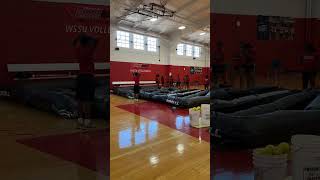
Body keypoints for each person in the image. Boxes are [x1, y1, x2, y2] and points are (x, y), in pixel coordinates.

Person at [73, 33, 98, 129]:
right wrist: (88, 36)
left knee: (80, 99)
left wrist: (80, 36)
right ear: (88, 42)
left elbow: (74, 42)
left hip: (80, 77)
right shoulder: (89, 49)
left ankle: (80, 121)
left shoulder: (78, 49)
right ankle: (87, 122)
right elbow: (97, 39)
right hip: (88, 77)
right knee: (87, 100)